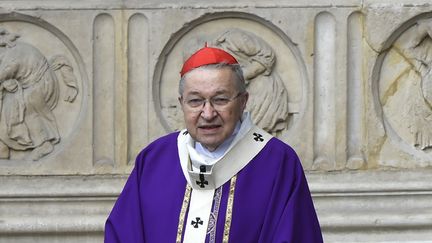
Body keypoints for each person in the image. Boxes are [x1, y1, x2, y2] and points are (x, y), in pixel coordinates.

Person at [105, 45, 323, 243]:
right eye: (195, 101)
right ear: (182, 103)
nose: (207, 114)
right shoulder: (154, 160)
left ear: (243, 101)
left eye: (220, 99)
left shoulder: (277, 162)